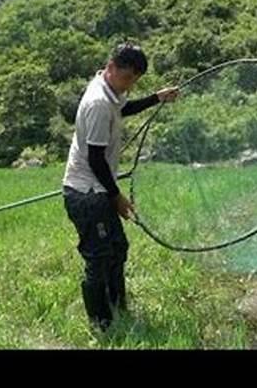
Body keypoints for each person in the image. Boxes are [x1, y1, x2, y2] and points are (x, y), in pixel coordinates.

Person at [62, 42, 179, 331]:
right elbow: (96, 159)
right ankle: (101, 325)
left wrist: (156, 98)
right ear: (111, 67)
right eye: (127, 78)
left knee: (117, 249)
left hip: (97, 189)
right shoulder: (99, 103)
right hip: (88, 194)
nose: (130, 85)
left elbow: (124, 109)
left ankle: (118, 307)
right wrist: (117, 198)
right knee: (99, 257)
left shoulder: (110, 90)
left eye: (135, 81)